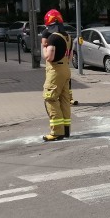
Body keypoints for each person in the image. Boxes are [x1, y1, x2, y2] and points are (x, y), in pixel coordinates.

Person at [41, 9, 73, 141]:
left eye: (48, 26)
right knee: (65, 100)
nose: (47, 29)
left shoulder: (53, 38)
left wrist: (44, 48)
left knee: (50, 98)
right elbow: (70, 56)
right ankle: (65, 130)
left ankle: (56, 132)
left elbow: (49, 57)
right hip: (66, 69)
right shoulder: (68, 36)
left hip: (56, 72)